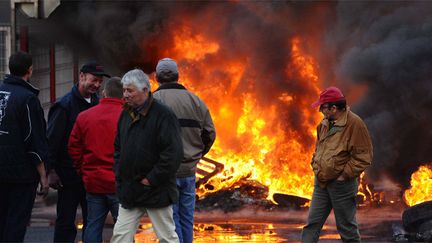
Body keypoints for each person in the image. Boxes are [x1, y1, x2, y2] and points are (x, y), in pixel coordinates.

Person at [111, 69, 182, 243]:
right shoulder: (126, 114)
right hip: (130, 189)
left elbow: (173, 154)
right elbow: (118, 146)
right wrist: (120, 170)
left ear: (145, 90)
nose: (125, 95)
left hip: (156, 190)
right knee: (120, 236)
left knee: (166, 237)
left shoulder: (163, 115)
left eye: (130, 90)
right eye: (124, 90)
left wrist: (151, 179)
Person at [153, 58, 216, 243]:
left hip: (165, 172)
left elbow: (145, 138)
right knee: (187, 219)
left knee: (171, 221)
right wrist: (196, 154)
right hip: (189, 171)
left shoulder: (152, 101)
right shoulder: (195, 101)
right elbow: (210, 134)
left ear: (157, 78)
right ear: (178, 76)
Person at [47, 61, 110, 242]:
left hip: (91, 176)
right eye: (93, 80)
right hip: (68, 176)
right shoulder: (64, 106)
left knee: (92, 222)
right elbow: (52, 141)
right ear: (81, 76)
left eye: (100, 82)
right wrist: (51, 171)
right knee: (66, 222)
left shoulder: (98, 103)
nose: (97, 85)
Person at [301, 86, 373, 243]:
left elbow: (364, 156)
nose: (320, 110)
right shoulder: (324, 124)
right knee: (311, 225)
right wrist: (315, 165)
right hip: (321, 183)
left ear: (333, 108)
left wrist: (343, 176)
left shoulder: (355, 124)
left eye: (323, 107)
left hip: (342, 186)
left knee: (347, 229)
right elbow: (319, 148)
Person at [0, 51, 49, 242]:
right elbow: (34, 140)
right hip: (20, 176)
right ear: (30, 70)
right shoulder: (28, 99)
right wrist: (43, 175)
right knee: (15, 224)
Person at [68, 77, 123, 243]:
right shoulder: (128, 117)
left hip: (93, 182)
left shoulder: (84, 116)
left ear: (104, 93)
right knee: (123, 228)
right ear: (124, 95)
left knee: (93, 224)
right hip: (119, 183)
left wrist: (82, 170)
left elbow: (73, 148)